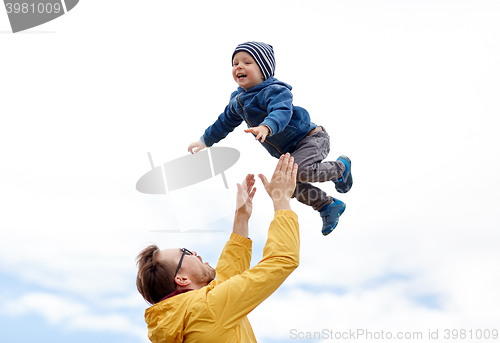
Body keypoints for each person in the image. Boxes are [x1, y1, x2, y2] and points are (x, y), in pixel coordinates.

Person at [187, 41, 353, 236]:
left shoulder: (275, 90)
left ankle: (341, 169)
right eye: (235, 63)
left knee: (301, 171)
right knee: (284, 185)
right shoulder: (237, 101)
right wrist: (205, 141)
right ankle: (327, 205)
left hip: (311, 139)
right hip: (291, 152)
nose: (239, 66)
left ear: (263, 71)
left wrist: (267, 126)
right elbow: (223, 123)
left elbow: (281, 111)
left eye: (247, 62)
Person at [136, 153, 300, 343]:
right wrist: (282, 201)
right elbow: (281, 260)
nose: (195, 253)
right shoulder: (208, 308)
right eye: (186, 253)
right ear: (181, 279)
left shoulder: (181, 317)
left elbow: (224, 278)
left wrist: (241, 217)